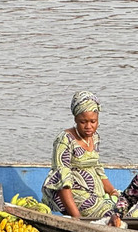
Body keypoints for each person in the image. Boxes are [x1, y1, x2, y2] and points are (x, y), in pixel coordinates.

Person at [41, 91, 119, 219]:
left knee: (131, 208)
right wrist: (77, 217)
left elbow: (97, 168)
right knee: (112, 215)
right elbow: (63, 181)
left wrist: (112, 191)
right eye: (83, 122)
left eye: (93, 121)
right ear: (75, 119)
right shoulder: (65, 140)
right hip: (74, 195)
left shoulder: (95, 138)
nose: (89, 126)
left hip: (96, 193)